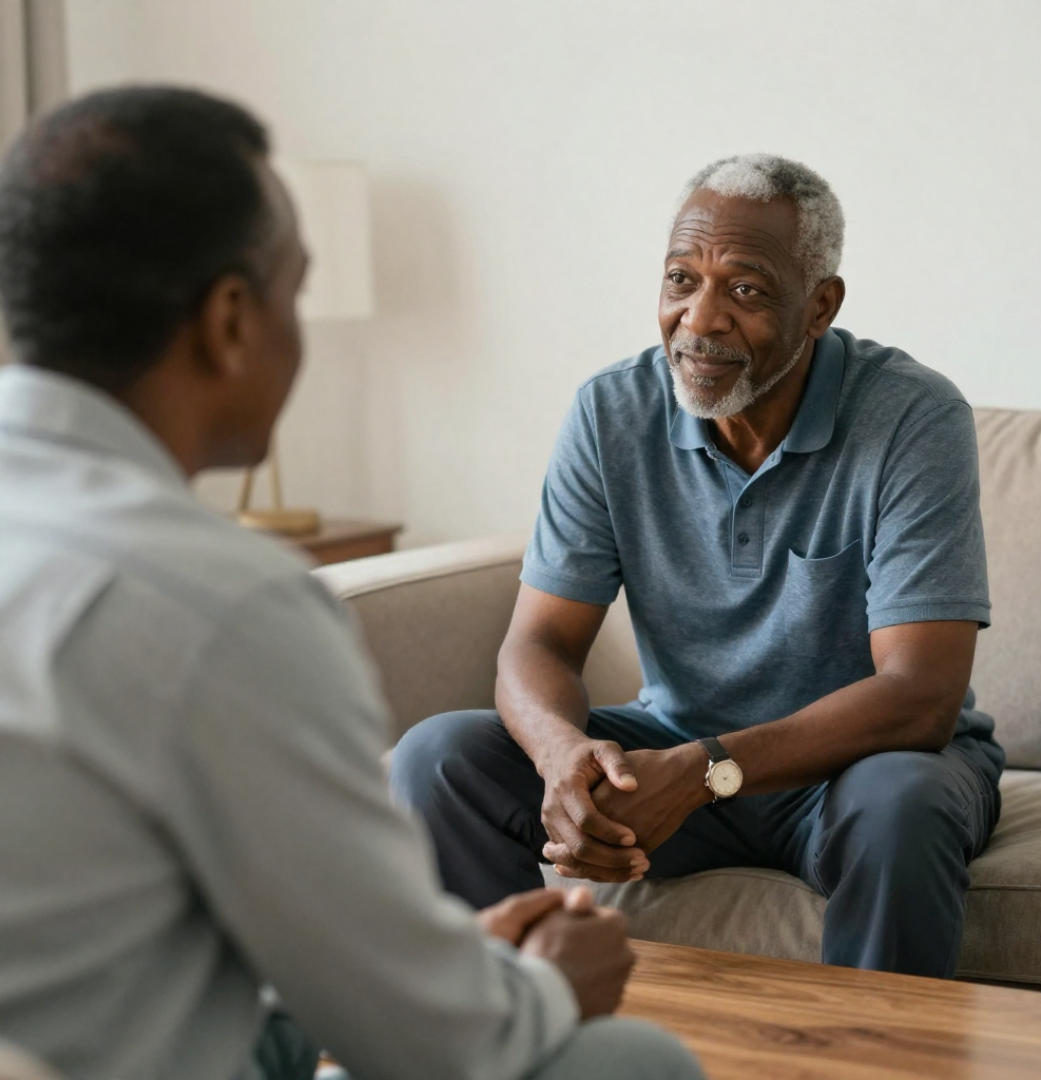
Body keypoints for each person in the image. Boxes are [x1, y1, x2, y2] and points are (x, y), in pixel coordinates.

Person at [0, 87, 705, 1080]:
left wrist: (444, 969)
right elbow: (429, 1043)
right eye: (296, 291)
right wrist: (547, 989)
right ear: (231, 320)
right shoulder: (222, 603)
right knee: (631, 1061)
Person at [391, 153, 1005, 979]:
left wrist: (707, 769)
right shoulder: (611, 412)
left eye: (745, 290)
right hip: (672, 752)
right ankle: (506, 1044)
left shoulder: (911, 417)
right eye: (681, 279)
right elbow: (537, 643)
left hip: (855, 769)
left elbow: (919, 697)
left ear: (820, 305)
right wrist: (565, 759)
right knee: (439, 758)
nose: (700, 319)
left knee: (904, 805)